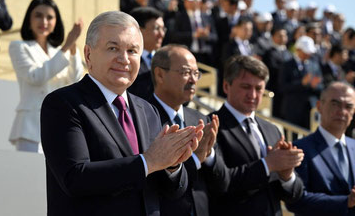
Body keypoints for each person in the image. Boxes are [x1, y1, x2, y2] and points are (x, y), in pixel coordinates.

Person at [40, 11, 203, 216]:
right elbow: (75, 178)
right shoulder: (64, 104)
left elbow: (170, 191)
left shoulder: (148, 110)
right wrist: (149, 161)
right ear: (88, 54)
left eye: (132, 51)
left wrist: (172, 164)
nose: (124, 59)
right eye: (113, 48)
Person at [210, 55, 304, 216]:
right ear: (226, 86)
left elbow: (293, 195)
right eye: (246, 87)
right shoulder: (211, 127)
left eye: (259, 89)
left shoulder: (272, 129)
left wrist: (286, 174)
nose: (253, 95)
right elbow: (219, 183)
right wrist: (267, 165)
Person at [149, 44, 220, 216]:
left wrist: (208, 155)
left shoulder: (201, 119)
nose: (193, 80)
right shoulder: (142, 117)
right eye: (186, 72)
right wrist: (195, 158)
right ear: (160, 74)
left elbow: (222, 181)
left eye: (196, 73)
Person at [8, 0, 84, 153]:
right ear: (29, 19)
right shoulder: (19, 47)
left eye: (50, 17)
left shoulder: (59, 52)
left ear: (56, 22)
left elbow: (74, 80)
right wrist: (66, 46)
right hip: (30, 127)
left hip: (59, 125)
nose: (44, 21)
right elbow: (35, 77)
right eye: (38, 15)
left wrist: (73, 48)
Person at [286, 82, 355, 216]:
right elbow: (296, 201)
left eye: (349, 106)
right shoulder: (300, 149)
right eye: (335, 104)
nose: (342, 111)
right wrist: (345, 201)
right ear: (319, 106)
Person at [128, 7, 166, 99]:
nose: (162, 34)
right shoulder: (127, 60)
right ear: (139, 31)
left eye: (163, 29)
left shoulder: (165, 60)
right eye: (157, 28)